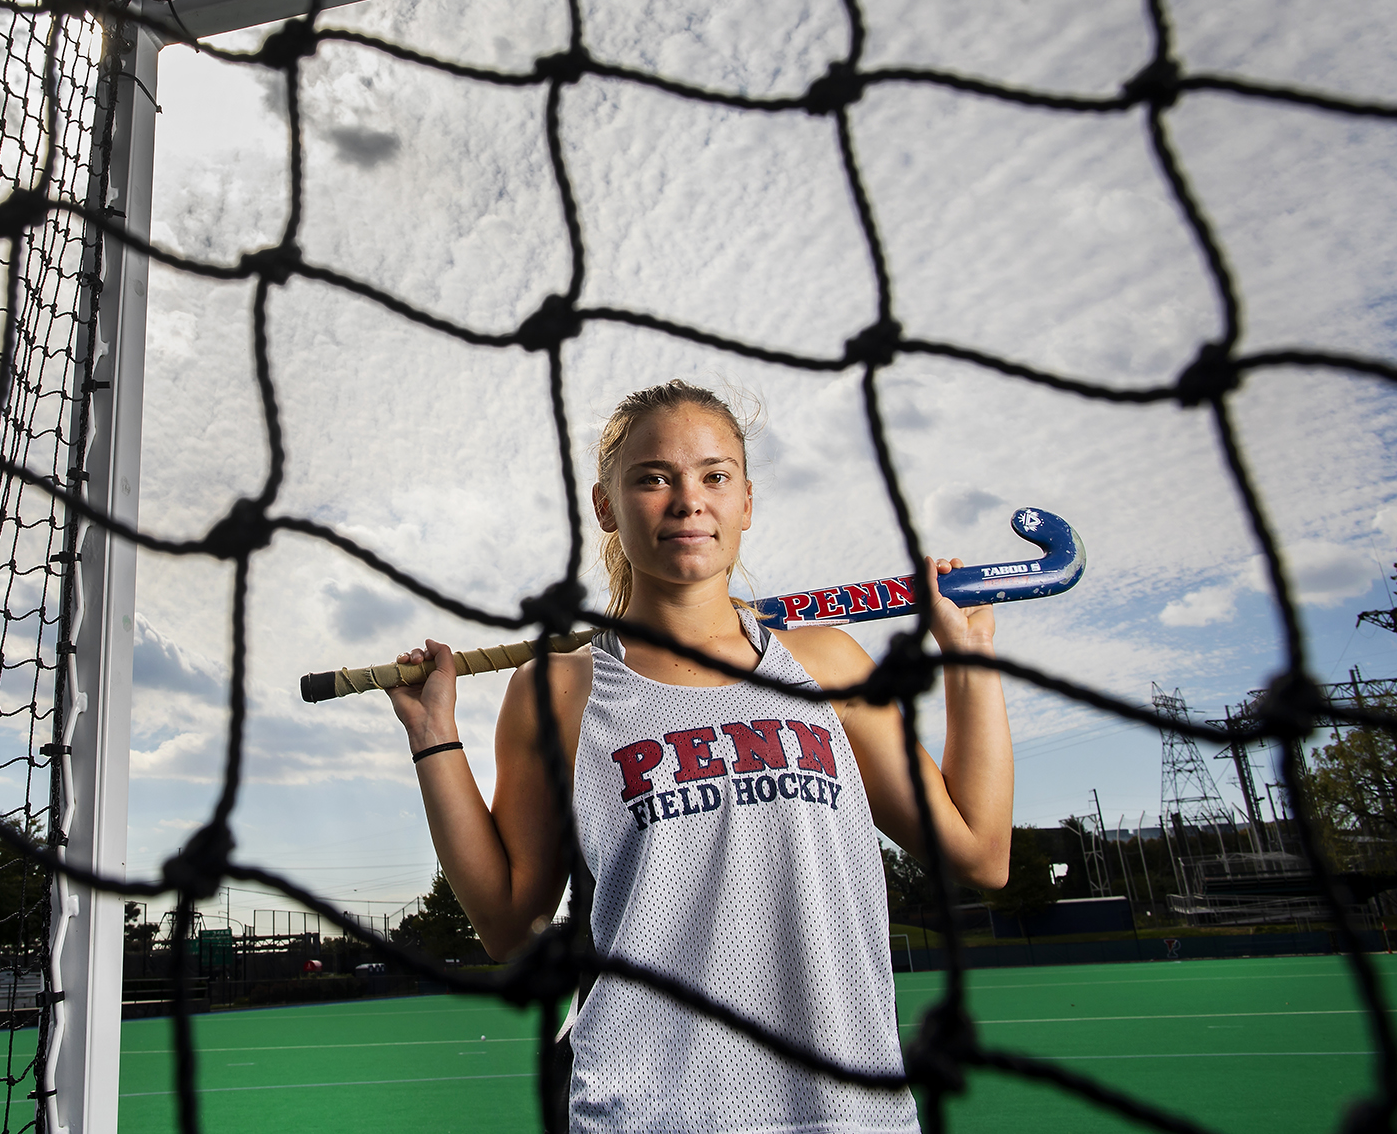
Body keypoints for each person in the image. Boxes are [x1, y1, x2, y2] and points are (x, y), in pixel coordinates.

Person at [386, 380, 1012, 1133]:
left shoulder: (830, 666)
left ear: (746, 501)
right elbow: (510, 924)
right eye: (654, 477)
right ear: (607, 506)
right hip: (644, 1113)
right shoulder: (559, 688)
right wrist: (435, 735)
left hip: (849, 1111)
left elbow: (979, 852)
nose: (689, 500)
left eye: (714, 475)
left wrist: (970, 666)